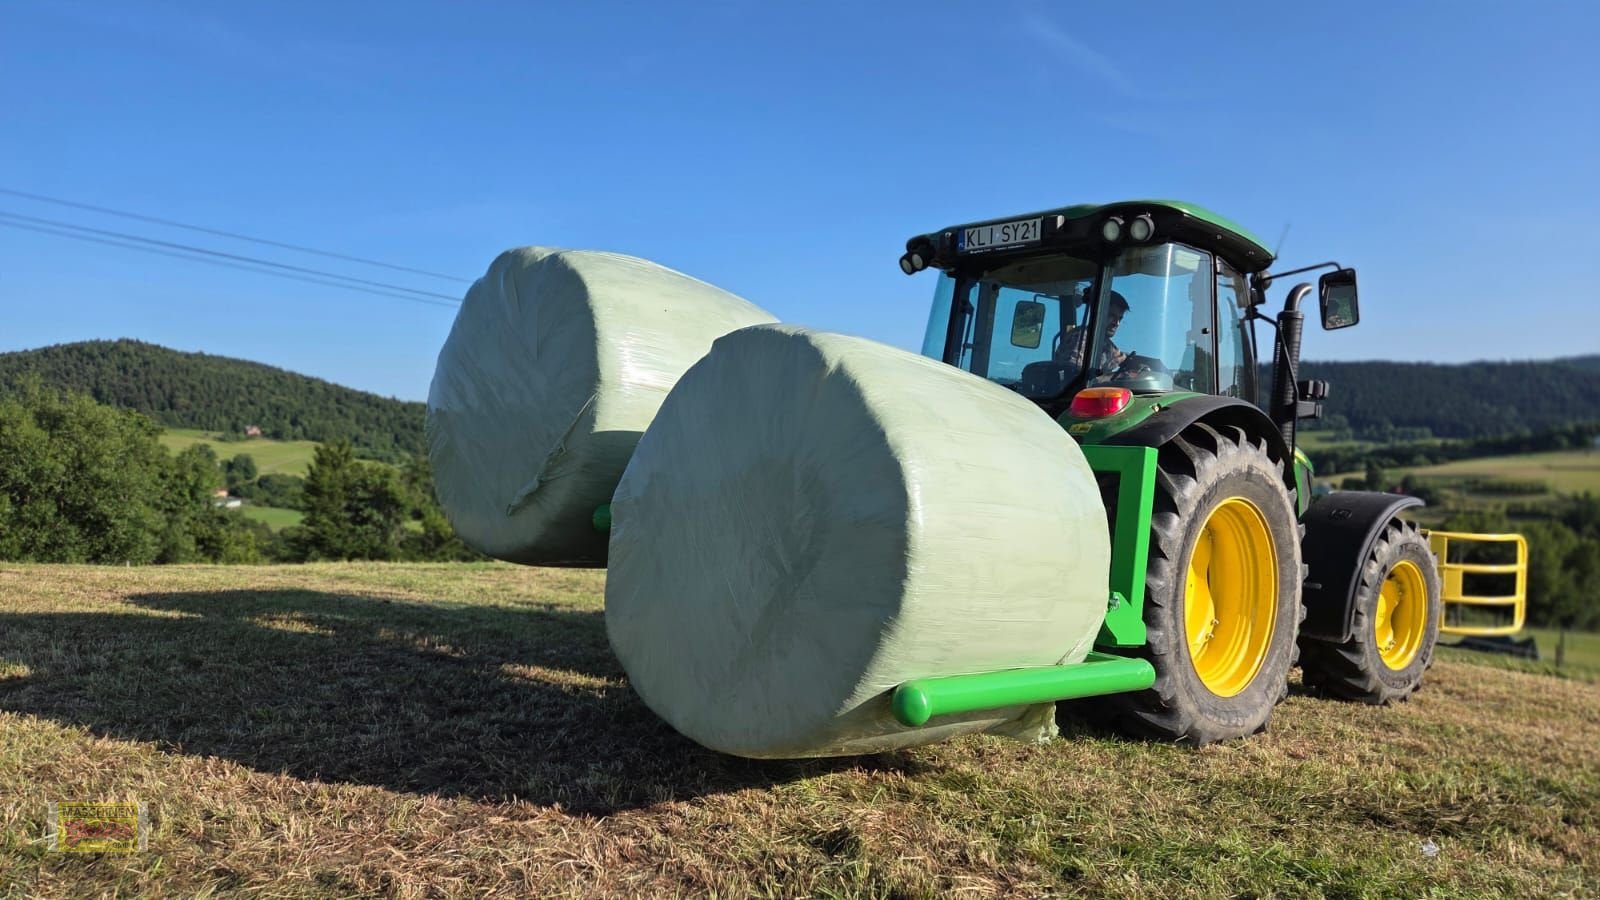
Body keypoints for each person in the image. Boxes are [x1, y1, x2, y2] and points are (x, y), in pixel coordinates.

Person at [1058, 290, 1130, 373]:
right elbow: (1074, 374)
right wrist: (1109, 377)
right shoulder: (1081, 338)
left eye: (1120, 318)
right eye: (1112, 315)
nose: (1117, 323)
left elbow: (1121, 357)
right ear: (1098, 313)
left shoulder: (1105, 344)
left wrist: (1133, 362)